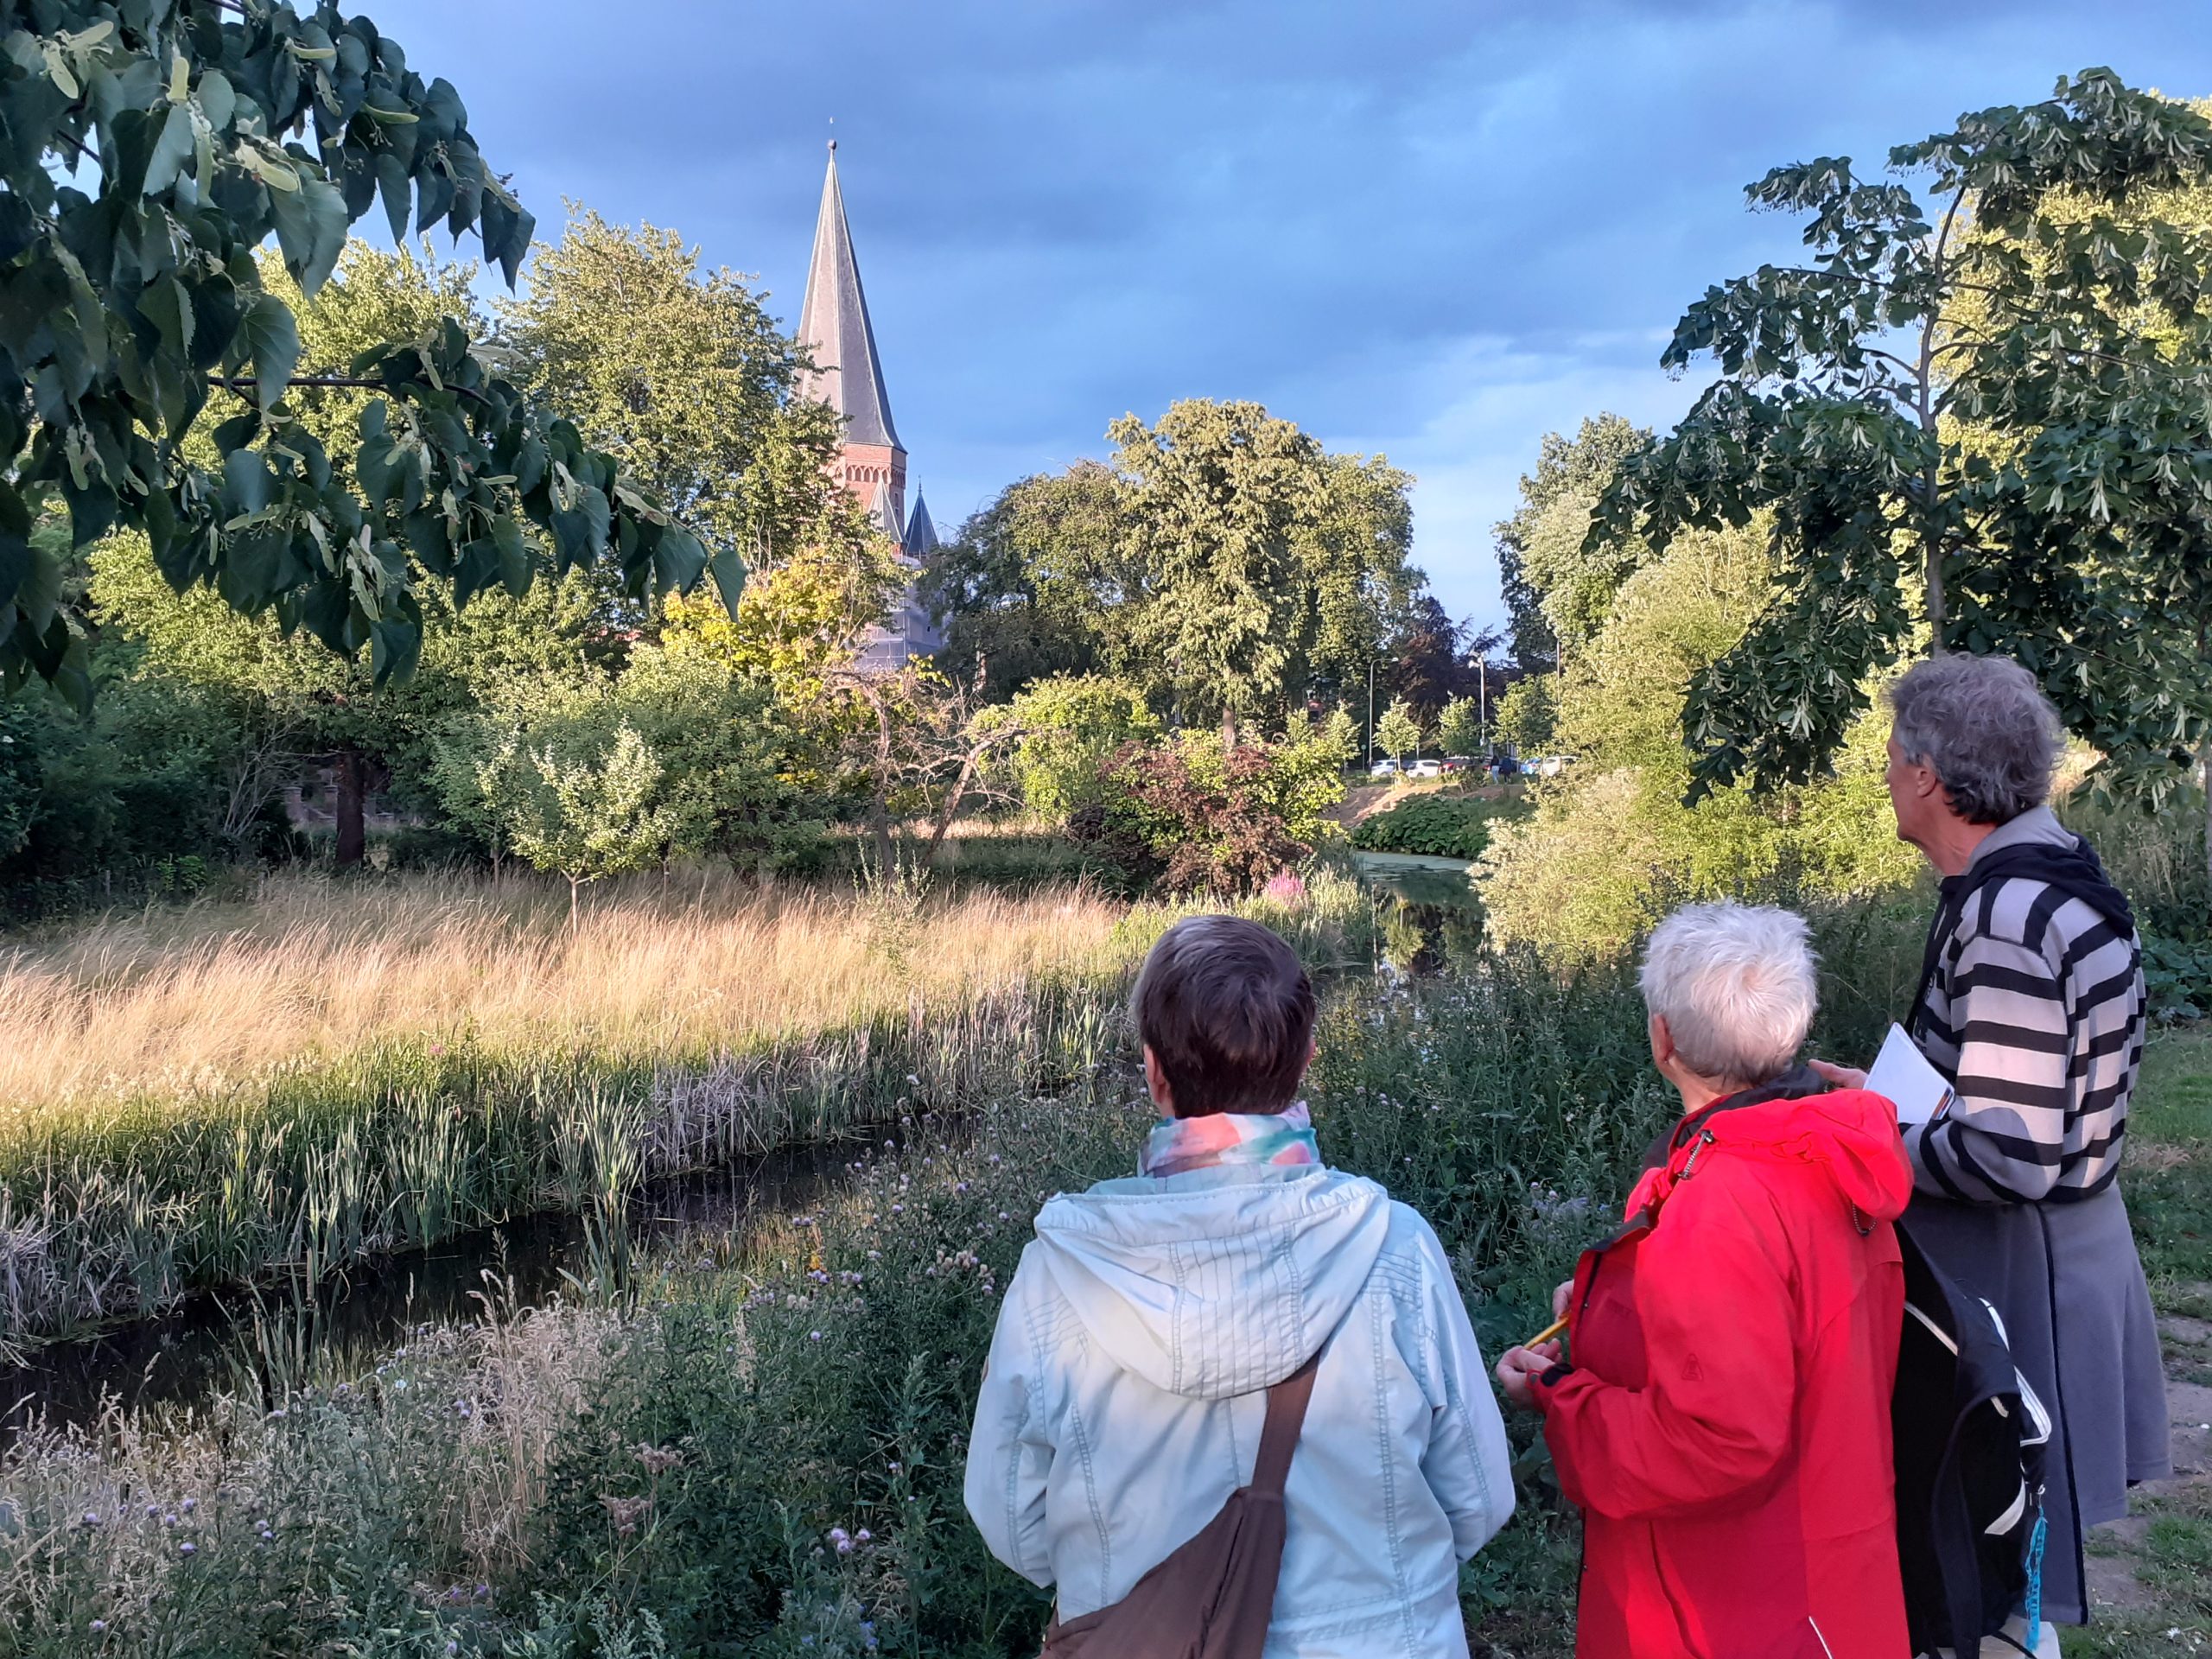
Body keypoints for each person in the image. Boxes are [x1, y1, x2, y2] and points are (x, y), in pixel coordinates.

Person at [964, 914, 1516, 1656]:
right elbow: (1478, 1499)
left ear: (1155, 1073)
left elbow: (1011, 1523)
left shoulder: (1061, 1274)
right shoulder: (1396, 1249)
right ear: (1307, 1059)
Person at [1810, 653, 2171, 1654]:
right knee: (2006, 1558)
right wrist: (1889, 1097)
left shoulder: (2008, 915)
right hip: (2069, 1245)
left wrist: (1879, 1134)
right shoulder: (2054, 871)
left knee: (1995, 1571)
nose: (1884, 778)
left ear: (1928, 773)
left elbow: (2009, 1155)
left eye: (1890, 759)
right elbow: (2024, 1093)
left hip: (2022, 1272)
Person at [1496, 902, 1914, 1659]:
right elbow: (1802, 1336)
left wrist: (1560, 1398)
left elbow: (1719, 1438)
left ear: (1664, 1041)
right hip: (1833, 1569)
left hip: (1733, 1603)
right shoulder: (1831, 1156)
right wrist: (1608, 1311)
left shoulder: (1721, 1200)